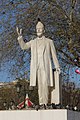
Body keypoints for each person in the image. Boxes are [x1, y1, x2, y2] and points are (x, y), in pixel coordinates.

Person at [16, 19, 60, 106]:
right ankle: (41, 103)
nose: (38, 30)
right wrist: (20, 37)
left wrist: (57, 66)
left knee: (45, 84)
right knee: (40, 86)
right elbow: (24, 46)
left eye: (40, 29)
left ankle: (45, 102)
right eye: (37, 29)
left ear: (44, 30)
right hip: (36, 67)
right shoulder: (33, 42)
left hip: (45, 66)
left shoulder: (49, 42)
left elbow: (54, 55)